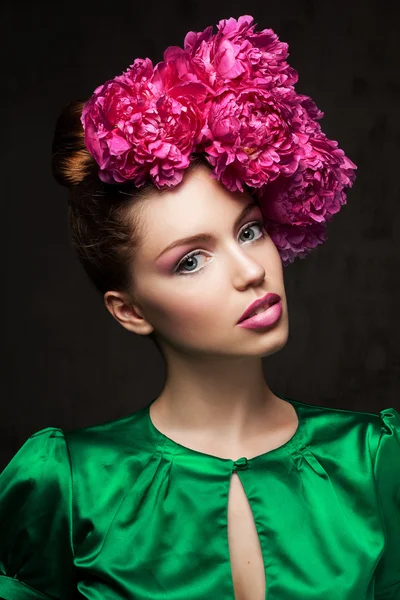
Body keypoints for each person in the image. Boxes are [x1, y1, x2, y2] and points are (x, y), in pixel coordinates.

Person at [0, 14, 399, 600]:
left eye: (249, 231)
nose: (251, 270)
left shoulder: (375, 463)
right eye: (190, 260)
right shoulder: (70, 485)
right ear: (128, 310)